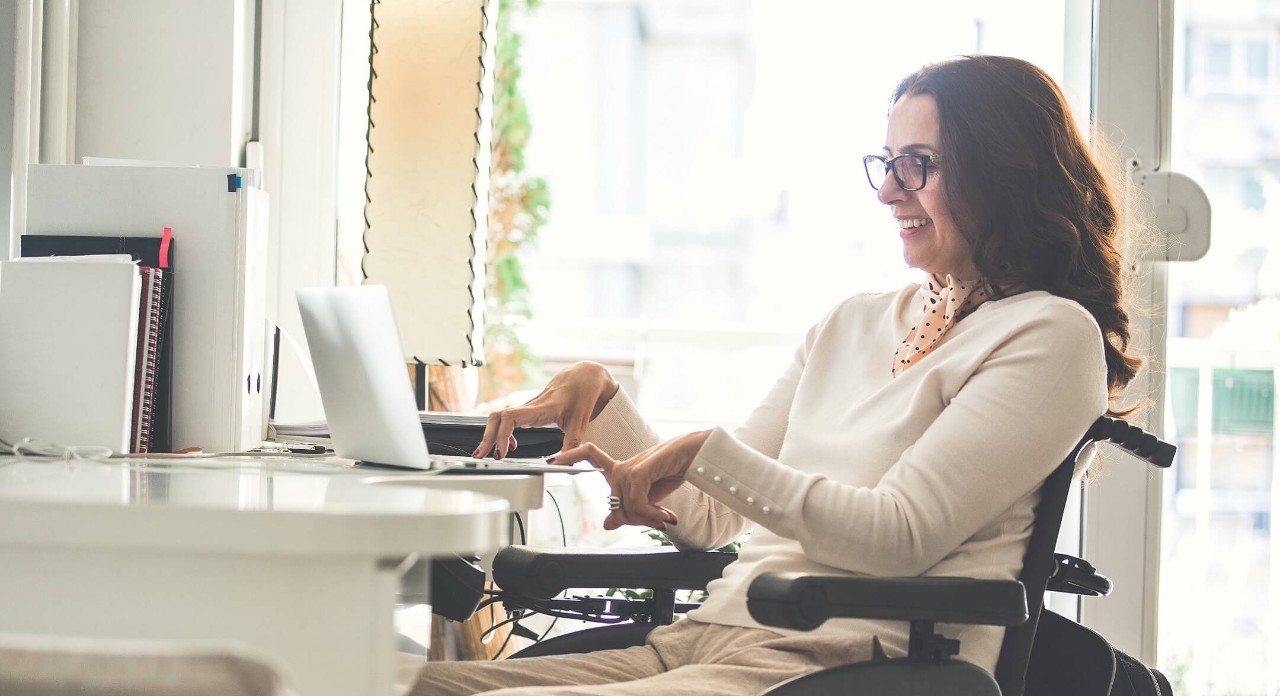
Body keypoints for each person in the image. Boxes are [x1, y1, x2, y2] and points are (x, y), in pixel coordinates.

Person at [414, 54, 1143, 696]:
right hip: (704, 641)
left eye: (916, 163)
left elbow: (900, 536)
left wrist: (704, 451)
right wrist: (603, 396)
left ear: (1002, 172)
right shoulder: (851, 323)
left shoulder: (1048, 336)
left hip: (845, 662)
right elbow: (709, 515)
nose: (889, 191)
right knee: (397, 684)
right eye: (885, 164)